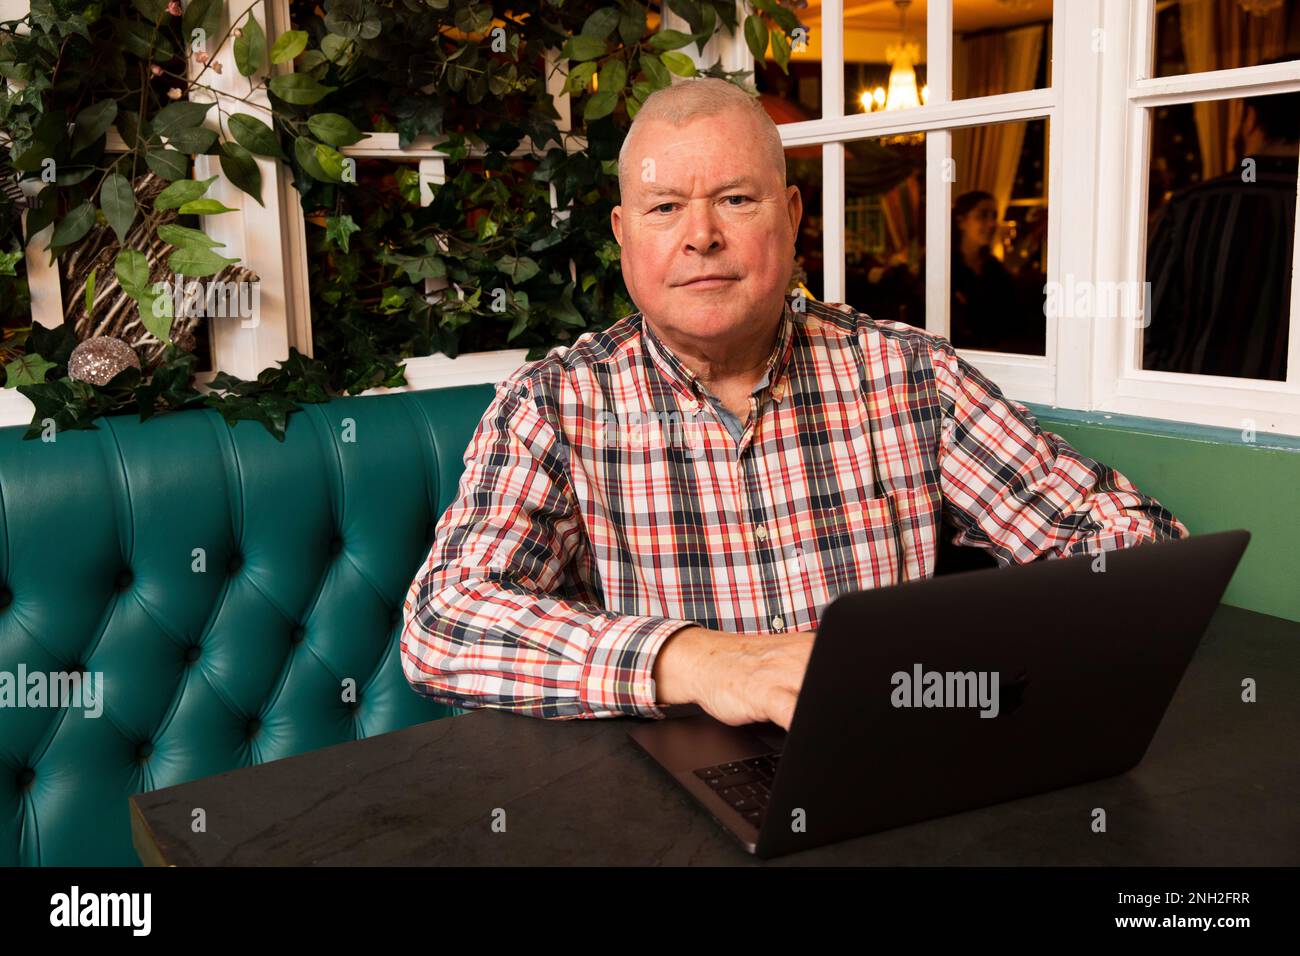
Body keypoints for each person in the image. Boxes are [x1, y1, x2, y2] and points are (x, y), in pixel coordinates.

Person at [400, 78, 1188, 731]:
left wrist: (968, 661)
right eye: (665, 207)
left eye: (737, 200)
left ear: (793, 215)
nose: (701, 235)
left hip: (892, 755)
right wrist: (702, 660)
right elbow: (443, 622)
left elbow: (1134, 541)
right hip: (666, 791)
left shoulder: (910, 374)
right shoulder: (553, 403)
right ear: (624, 236)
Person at [1143, 91, 1299, 381]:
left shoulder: (1191, 205)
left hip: (1189, 396)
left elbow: (1143, 313)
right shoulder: (1192, 205)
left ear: (1249, 119)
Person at [950, 190, 1043, 353]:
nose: (992, 223)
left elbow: (1014, 319)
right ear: (961, 222)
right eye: (982, 215)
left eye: (994, 216)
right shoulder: (945, 268)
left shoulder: (994, 268)